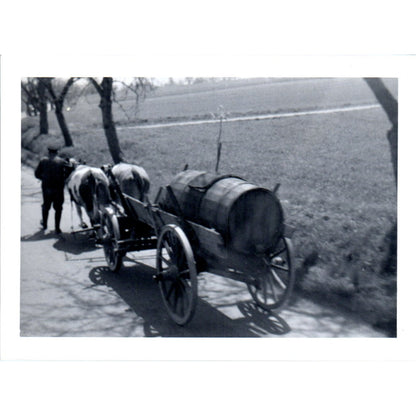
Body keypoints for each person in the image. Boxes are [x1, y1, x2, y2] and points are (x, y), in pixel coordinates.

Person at [34, 145, 72, 234]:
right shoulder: (62, 162)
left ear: (49, 152)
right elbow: (69, 171)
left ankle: (45, 225)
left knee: (46, 206)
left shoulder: (43, 161)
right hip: (58, 188)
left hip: (47, 188)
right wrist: (63, 178)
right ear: (57, 152)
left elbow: (36, 174)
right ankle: (57, 228)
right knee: (58, 208)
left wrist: (43, 178)